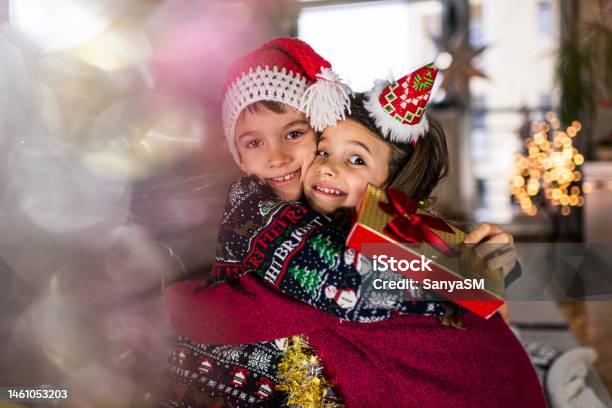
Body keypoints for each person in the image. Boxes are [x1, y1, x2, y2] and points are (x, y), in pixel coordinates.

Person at [160, 38, 531, 407]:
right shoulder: (261, 209)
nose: (280, 158)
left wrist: (482, 274)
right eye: (325, 152)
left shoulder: (372, 233)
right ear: (236, 153)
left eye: (295, 134)